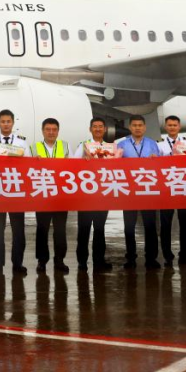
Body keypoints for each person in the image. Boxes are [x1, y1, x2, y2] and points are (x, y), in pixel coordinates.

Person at [0, 109, 29, 276]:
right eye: (3, 121)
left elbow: (28, 163)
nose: (6, 124)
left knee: (18, 231)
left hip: (16, 191)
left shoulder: (22, 142)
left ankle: (18, 263)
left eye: (8, 121)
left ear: (13, 123)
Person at [118, 115, 162, 271]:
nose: (137, 128)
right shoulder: (121, 145)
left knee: (150, 225)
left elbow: (160, 166)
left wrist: (155, 159)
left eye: (140, 125)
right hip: (129, 191)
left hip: (147, 190)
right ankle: (130, 258)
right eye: (134, 125)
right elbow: (115, 165)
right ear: (130, 127)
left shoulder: (152, 144)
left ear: (144, 127)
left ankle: (151, 258)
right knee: (129, 227)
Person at [31, 118, 71, 275]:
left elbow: (73, 166)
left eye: (54, 130)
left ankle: (59, 260)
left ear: (58, 131)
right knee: (42, 229)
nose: (51, 132)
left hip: (61, 195)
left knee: (60, 230)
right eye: (48, 129)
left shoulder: (65, 146)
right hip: (42, 194)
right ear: (42, 131)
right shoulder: (34, 148)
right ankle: (42, 261)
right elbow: (25, 168)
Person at [157, 115, 186, 268]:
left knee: (185, 224)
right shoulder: (159, 145)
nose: (172, 127)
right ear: (166, 127)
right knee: (165, 225)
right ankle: (167, 256)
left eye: (175, 125)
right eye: (170, 125)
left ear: (179, 127)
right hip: (166, 188)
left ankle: (185, 256)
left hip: (182, 187)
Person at [76, 117, 114, 273]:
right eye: (95, 126)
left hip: (102, 195)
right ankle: (82, 262)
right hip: (86, 196)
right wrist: (82, 160)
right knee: (84, 229)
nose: (98, 129)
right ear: (90, 129)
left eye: (100, 126)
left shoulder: (110, 147)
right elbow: (72, 165)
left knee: (99, 229)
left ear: (105, 129)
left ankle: (99, 261)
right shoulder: (83, 145)